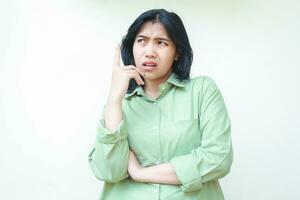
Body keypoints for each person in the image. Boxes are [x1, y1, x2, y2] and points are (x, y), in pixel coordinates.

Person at [88, 8, 233, 200]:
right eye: (141, 41)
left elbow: (218, 158)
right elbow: (109, 172)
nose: (149, 52)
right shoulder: (119, 102)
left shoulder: (202, 90)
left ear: (177, 52)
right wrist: (114, 98)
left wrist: (140, 173)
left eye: (161, 43)